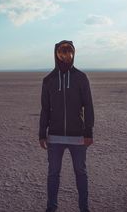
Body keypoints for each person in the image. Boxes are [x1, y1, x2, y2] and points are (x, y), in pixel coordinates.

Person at [39, 40, 94, 212]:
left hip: (78, 136)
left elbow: (89, 106)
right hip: (55, 137)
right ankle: (51, 208)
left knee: (81, 173)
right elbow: (45, 109)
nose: (66, 55)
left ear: (73, 53)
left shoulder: (80, 78)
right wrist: (42, 133)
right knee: (53, 174)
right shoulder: (49, 80)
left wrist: (88, 132)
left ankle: (84, 209)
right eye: (62, 52)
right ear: (56, 54)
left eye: (69, 52)